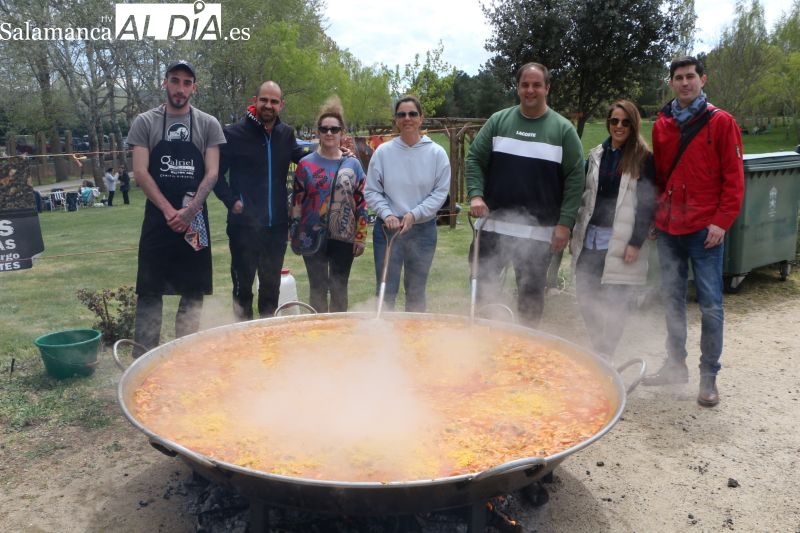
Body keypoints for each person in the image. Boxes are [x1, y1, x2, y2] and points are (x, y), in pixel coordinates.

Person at [642, 56, 744, 407]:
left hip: (705, 231)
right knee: (670, 300)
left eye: (690, 77)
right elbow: (660, 177)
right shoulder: (662, 125)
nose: (685, 83)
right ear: (670, 82)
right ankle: (674, 365)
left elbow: (734, 179)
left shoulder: (721, 122)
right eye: (678, 78)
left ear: (703, 79)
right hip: (670, 228)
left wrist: (722, 221)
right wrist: (657, 216)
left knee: (712, 306)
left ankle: (708, 377)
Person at [465, 62, 585, 327]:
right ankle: (478, 351)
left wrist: (565, 224)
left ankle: (525, 359)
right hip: (492, 227)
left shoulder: (563, 130)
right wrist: (475, 195)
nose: (530, 90)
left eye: (536, 85)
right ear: (518, 88)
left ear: (547, 88)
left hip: (538, 234)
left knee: (530, 302)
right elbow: (474, 158)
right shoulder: (499, 121)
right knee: (482, 293)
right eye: (525, 85)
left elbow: (576, 180)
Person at [126, 59, 226, 356]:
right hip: (158, 220)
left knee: (193, 292)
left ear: (194, 87)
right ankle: (142, 360)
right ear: (164, 83)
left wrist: (190, 211)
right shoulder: (145, 122)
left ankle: (186, 358)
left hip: (194, 222)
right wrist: (170, 211)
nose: (180, 88)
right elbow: (141, 172)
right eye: (174, 80)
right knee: (149, 291)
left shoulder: (208, 124)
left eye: (186, 82)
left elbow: (212, 173)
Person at [214, 81, 312, 320]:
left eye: (274, 101)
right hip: (243, 227)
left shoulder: (286, 134)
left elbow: (306, 161)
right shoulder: (233, 133)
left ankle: (267, 345)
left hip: (276, 227)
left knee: (271, 290)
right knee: (243, 290)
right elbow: (215, 174)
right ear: (255, 100)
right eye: (264, 100)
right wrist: (231, 201)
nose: (269, 105)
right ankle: (243, 342)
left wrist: (336, 154)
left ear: (281, 105)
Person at [570, 100, 656, 359]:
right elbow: (586, 194)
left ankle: (606, 352)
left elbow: (647, 204)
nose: (619, 126)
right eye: (614, 121)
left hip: (621, 241)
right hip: (591, 237)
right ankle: (599, 347)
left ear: (633, 124)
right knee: (585, 294)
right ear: (608, 122)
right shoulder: (597, 154)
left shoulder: (643, 158)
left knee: (617, 303)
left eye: (625, 122)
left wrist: (636, 242)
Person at [364, 95, 450, 312]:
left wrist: (414, 215)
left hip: (423, 230)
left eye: (412, 114)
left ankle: (415, 342)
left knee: (416, 291)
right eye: (402, 114)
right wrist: (387, 214)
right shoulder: (383, 152)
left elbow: (439, 194)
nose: (407, 118)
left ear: (421, 118)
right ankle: (383, 340)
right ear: (396, 120)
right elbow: (372, 190)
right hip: (388, 230)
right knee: (386, 290)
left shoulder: (437, 153)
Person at [291, 97, 368, 313]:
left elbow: (361, 201)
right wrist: (294, 232)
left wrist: (361, 236)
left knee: (339, 288)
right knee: (317, 288)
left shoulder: (353, 164)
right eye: (324, 129)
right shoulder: (305, 165)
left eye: (334, 129)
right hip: (311, 235)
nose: (329, 133)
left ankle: (339, 339)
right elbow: (297, 201)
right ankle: (317, 337)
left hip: (344, 236)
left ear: (342, 132)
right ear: (318, 132)